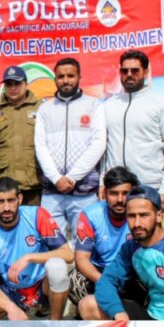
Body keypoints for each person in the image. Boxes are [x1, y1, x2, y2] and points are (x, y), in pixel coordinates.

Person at [83, 185, 164, 320]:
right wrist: (118, 313)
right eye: (132, 216)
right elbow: (107, 281)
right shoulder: (131, 247)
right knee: (89, 304)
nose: (137, 223)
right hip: (154, 316)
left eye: (144, 215)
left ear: (158, 216)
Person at [0, 177, 72, 320]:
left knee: (57, 267)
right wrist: (10, 307)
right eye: (0, 202)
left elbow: (68, 254)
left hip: (42, 285)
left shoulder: (37, 215)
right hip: (11, 290)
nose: (6, 208)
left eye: (11, 200)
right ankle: (13, 323)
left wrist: (29, 257)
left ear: (20, 199)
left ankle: (56, 323)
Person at [35, 57, 106, 234]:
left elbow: (98, 143)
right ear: (55, 80)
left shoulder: (93, 105)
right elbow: (40, 146)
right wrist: (56, 178)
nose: (65, 80)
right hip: (52, 192)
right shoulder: (45, 109)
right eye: (61, 76)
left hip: (84, 192)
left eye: (70, 76)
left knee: (84, 245)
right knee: (51, 246)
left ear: (79, 77)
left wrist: (73, 177)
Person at [103, 50, 164, 202]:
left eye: (135, 70)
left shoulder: (160, 103)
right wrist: (102, 182)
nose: (129, 74)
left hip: (150, 185)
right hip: (117, 187)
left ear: (145, 72)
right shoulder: (109, 105)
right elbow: (105, 149)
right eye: (125, 71)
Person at [71, 167, 138, 307]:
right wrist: (104, 282)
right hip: (100, 270)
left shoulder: (141, 214)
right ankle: (89, 311)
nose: (120, 199)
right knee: (74, 281)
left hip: (132, 271)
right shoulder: (90, 214)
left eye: (125, 193)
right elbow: (81, 259)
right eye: (114, 193)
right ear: (104, 193)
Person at [0, 66, 44, 205]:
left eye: (17, 83)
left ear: (26, 84)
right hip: (6, 183)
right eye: (9, 84)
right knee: (7, 224)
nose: (13, 88)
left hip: (34, 182)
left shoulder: (41, 109)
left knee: (32, 223)